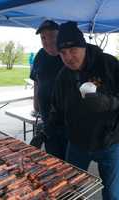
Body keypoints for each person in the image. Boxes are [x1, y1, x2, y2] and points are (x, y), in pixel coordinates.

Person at [47, 21, 119, 199]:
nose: (68, 57)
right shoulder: (63, 75)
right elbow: (56, 108)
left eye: (73, 50)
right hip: (77, 143)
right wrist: (46, 130)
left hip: (108, 142)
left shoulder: (109, 64)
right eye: (63, 53)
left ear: (83, 46)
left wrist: (108, 103)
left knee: (111, 192)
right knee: (72, 189)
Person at [29, 20, 68, 160]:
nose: (47, 41)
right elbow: (36, 81)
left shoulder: (67, 55)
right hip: (46, 118)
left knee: (70, 163)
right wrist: (36, 104)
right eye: (43, 38)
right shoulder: (40, 56)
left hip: (67, 122)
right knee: (53, 158)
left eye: (52, 36)